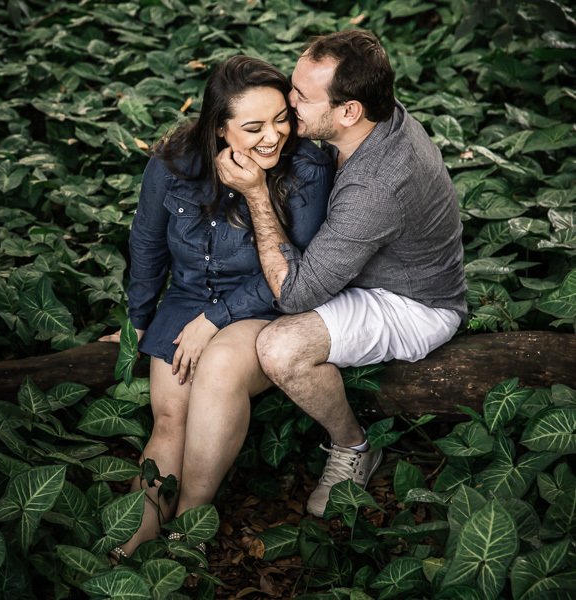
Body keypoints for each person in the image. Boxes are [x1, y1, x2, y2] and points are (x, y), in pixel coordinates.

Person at [216, 30, 467, 518]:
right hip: (368, 268)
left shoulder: (379, 185)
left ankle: (353, 445)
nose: (288, 104)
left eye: (301, 97)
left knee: (279, 347)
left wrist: (256, 195)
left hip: (412, 303)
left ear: (348, 110)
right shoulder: (366, 117)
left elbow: (294, 294)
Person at [100, 55, 333, 567]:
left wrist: (216, 318)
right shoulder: (173, 160)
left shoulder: (308, 166)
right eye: (253, 127)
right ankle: (137, 535)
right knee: (169, 416)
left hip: (264, 302)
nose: (273, 137)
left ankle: (190, 521)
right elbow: (147, 244)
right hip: (184, 300)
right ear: (218, 127)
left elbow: (294, 276)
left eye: (281, 119)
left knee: (217, 372)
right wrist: (137, 320)